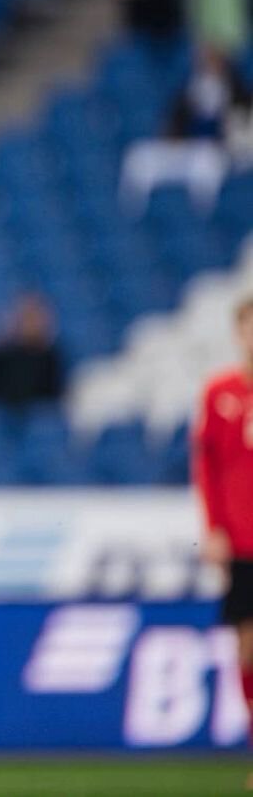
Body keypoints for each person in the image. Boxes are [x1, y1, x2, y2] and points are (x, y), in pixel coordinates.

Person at [193, 294, 253, 762]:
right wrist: (213, 527)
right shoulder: (220, 393)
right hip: (242, 540)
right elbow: (207, 467)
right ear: (238, 333)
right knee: (247, 646)